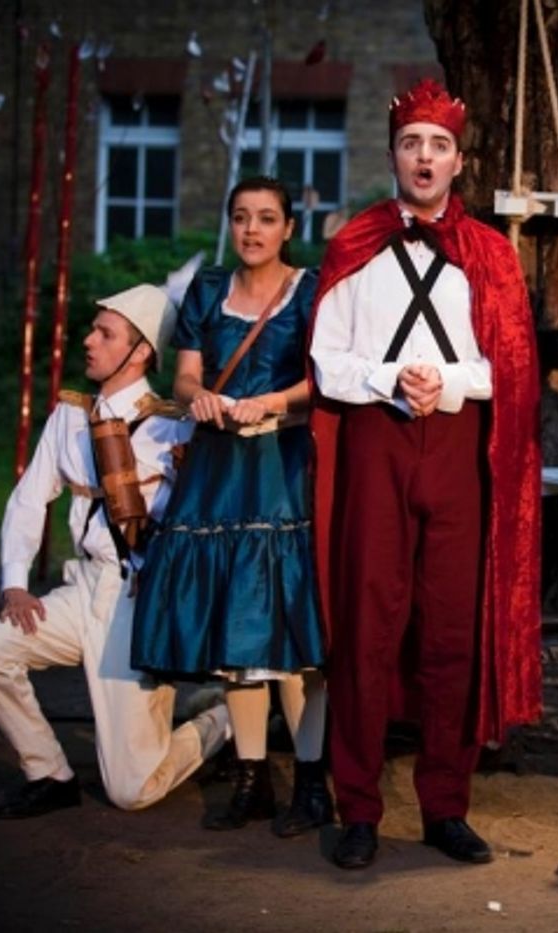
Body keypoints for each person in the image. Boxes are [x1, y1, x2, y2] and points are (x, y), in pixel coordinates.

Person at [308, 79, 542, 870]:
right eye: (412, 143)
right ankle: (360, 809)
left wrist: (446, 383)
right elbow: (325, 358)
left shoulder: (492, 255)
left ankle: (446, 805)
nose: (424, 157)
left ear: (457, 160)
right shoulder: (353, 246)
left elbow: (507, 369)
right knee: (367, 628)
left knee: (450, 631)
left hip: (456, 447)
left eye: (438, 145)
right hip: (376, 442)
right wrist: (386, 380)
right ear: (394, 156)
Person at [0, 284, 230, 818]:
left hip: (136, 601)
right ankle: (49, 772)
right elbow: (29, 497)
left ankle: (224, 718)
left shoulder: (171, 423)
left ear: (141, 354)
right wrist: (14, 581)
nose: (88, 341)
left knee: (133, 790)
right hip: (82, 585)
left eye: (105, 334)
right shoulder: (68, 417)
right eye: (93, 329)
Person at [131, 177, 331, 836]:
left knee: (292, 625)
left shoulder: (309, 291)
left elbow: (324, 378)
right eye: (242, 217)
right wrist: (201, 398)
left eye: (266, 218)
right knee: (236, 629)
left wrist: (270, 403)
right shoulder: (208, 290)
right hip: (220, 470)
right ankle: (252, 778)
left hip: (283, 466)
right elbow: (185, 375)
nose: (252, 230)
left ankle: (309, 780)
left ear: (286, 228)